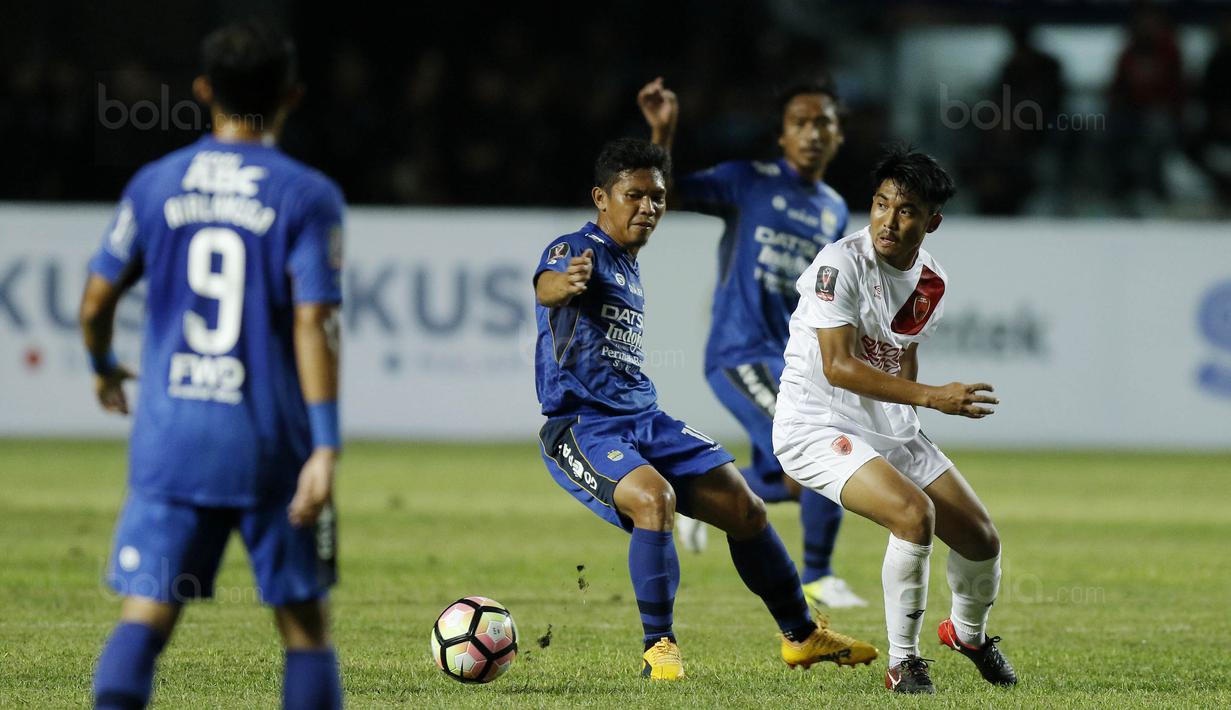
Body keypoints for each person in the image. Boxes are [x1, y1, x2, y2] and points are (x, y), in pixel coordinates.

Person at [533, 137, 876, 680]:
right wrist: (564, 283)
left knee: (747, 509)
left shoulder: (627, 263)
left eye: (658, 198)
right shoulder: (580, 248)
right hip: (582, 426)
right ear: (601, 197)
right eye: (634, 196)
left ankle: (803, 635)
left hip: (645, 419)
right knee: (655, 500)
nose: (647, 208)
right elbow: (548, 284)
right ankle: (659, 648)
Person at [80, 21, 344, 710]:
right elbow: (313, 319)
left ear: (202, 91)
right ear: (291, 94)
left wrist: (104, 364)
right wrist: (325, 443)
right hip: (268, 446)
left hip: (174, 441)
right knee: (303, 628)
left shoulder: (155, 183)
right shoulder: (306, 194)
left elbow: (94, 301)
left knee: (147, 617)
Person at [772, 148, 1018, 694]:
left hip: (888, 423)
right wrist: (932, 397)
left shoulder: (932, 281)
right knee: (913, 514)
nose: (888, 219)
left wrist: (911, 412)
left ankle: (968, 634)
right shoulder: (839, 265)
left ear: (932, 221)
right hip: (815, 423)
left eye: (906, 210)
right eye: (881, 204)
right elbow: (837, 367)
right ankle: (904, 662)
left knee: (981, 540)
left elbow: (899, 351)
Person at [637, 76, 865, 609]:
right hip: (739, 353)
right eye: (799, 123)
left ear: (838, 137)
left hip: (791, 359)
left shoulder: (832, 208)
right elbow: (669, 193)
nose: (811, 133)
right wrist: (662, 131)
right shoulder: (749, 181)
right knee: (822, 446)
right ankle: (817, 575)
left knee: (791, 477)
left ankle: (696, 499)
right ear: (782, 136)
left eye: (822, 123)